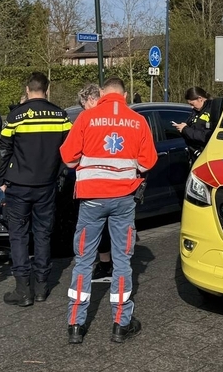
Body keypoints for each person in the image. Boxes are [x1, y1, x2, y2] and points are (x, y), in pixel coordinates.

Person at [60, 76, 158, 344]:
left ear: (102, 93)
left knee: (83, 260)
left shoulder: (86, 118)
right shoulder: (137, 121)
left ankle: (76, 326)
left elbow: (68, 158)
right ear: (124, 95)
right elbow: (148, 162)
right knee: (123, 261)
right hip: (124, 199)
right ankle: (120, 324)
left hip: (91, 200)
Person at [0, 72, 71, 306]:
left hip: (19, 185)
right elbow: (68, 151)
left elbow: (4, 150)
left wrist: (1, 178)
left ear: (28, 90)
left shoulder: (16, 116)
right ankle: (41, 287)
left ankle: (23, 289)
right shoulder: (60, 115)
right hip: (46, 185)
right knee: (42, 234)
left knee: (18, 236)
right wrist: (57, 173)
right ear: (46, 90)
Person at [75, 84, 113, 283]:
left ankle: (103, 265)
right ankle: (111, 265)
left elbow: (71, 154)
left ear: (91, 100)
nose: (84, 110)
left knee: (94, 227)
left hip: (96, 185)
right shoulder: (119, 117)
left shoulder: (90, 120)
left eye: (84, 105)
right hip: (120, 185)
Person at [174, 86, 223, 160]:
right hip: (194, 153)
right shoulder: (196, 111)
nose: (191, 107)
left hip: (206, 154)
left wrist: (185, 129)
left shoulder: (213, 111)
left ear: (200, 99)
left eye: (192, 104)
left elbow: (206, 136)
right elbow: (190, 128)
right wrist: (182, 127)